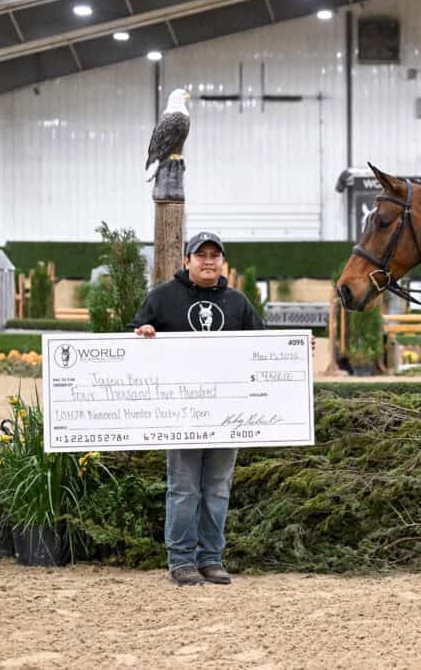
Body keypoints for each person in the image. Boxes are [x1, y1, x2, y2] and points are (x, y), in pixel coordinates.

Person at [127, 231, 265, 586]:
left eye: (214, 255)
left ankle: (211, 559)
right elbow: (132, 340)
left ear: (223, 263)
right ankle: (181, 560)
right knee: (184, 487)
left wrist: (296, 351)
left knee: (218, 487)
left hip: (226, 415)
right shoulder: (161, 297)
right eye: (200, 254)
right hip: (180, 415)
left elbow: (263, 346)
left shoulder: (238, 302)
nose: (208, 261)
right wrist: (141, 332)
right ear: (186, 261)